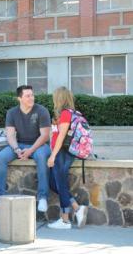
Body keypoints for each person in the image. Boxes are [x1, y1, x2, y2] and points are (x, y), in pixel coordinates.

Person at [0, 85, 51, 212]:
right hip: (19, 144)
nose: (31, 98)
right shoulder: (12, 112)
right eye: (27, 96)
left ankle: (43, 197)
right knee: (1, 158)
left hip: (39, 145)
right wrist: (16, 149)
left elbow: (45, 136)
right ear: (19, 98)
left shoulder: (42, 111)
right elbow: (10, 134)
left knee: (41, 157)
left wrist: (30, 150)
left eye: (32, 95)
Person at [47, 86, 88, 229]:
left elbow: (61, 137)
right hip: (62, 152)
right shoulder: (69, 113)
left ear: (59, 98)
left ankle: (64, 220)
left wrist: (53, 155)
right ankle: (77, 207)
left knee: (60, 183)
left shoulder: (66, 114)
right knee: (54, 183)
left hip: (62, 152)